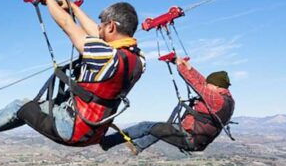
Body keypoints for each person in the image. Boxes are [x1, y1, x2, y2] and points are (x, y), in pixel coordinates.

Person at [0, 0, 144, 149]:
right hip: (95, 129)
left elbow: (67, 24)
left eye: (102, 25)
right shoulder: (138, 61)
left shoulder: (105, 54)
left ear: (111, 26)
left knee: (19, 106)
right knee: (31, 108)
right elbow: (96, 34)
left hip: (73, 127)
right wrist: (73, 7)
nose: (98, 29)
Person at [99, 57, 235, 154]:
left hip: (189, 137)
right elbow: (203, 82)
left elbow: (197, 84)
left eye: (209, 84)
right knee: (158, 129)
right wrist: (190, 68)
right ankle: (138, 146)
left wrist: (179, 66)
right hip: (194, 136)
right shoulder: (227, 100)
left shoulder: (216, 99)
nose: (206, 85)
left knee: (146, 126)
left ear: (217, 86)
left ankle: (107, 142)